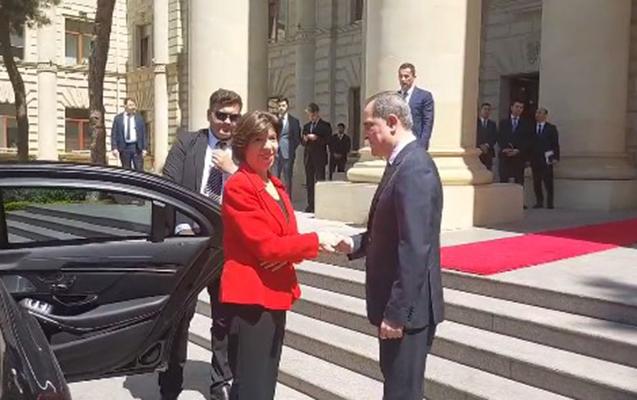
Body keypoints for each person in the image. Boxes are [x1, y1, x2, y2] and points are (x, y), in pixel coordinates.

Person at [220, 111, 340, 399]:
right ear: (243, 145)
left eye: (272, 138)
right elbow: (266, 247)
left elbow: (286, 240)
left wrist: (284, 253)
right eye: (258, 140)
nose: (268, 147)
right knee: (254, 387)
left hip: (275, 293)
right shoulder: (239, 185)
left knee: (265, 382)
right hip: (252, 298)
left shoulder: (276, 186)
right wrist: (315, 240)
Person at [336, 91, 444, 400]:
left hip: (409, 312)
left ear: (392, 122)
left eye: (369, 125)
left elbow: (414, 248)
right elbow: (391, 230)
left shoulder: (415, 167)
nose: (365, 134)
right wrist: (355, 243)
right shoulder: (399, 162)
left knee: (402, 393)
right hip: (399, 307)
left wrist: (397, 313)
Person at [161, 88, 242, 400]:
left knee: (225, 318)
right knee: (180, 317)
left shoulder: (243, 150)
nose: (227, 122)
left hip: (228, 247)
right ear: (210, 115)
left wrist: (233, 172)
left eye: (233, 117)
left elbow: (257, 188)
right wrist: (182, 228)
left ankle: (221, 382)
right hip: (190, 243)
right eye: (221, 115)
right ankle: (170, 382)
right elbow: (169, 186)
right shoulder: (188, 142)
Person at [301, 103, 331, 213]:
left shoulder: (325, 126)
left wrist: (316, 138)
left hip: (319, 157)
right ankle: (311, 204)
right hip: (308, 157)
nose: (311, 117)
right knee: (309, 182)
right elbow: (302, 142)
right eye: (309, 115)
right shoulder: (306, 126)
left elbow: (328, 140)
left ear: (317, 113)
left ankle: (320, 204)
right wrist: (305, 139)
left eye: (312, 115)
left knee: (319, 181)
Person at [398, 62, 435, 149]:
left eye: (406, 76)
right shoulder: (394, 97)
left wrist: (422, 146)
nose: (403, 79)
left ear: (413, 77)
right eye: (400, 76)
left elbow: (427, 123)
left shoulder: (424, 96)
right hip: (398, 144)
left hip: (415, 143)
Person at [497, 100, 532, 186]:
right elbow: (499, 136)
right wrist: (505, 148)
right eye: (517, 107)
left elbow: (528, 140)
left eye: (521, 107)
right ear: (512, 108)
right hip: (505, 156)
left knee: (518, 181)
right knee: (504, 180)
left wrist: (518, 150)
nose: (518, 109)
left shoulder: (526, 124)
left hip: (519, 157)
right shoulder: (503, 122)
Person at [531, 107, 560, 209]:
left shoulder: (551, 128)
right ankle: (539, 201)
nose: (537, 114)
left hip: (547, 159)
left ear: (545, 115)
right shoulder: (531, 128)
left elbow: (555, 144)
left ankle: (550, 202)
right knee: (536, 181)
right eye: (537, 112)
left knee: (548, 181)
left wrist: (556, 157)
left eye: (540, 113)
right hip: (535, 159)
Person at [273, 97, 301, 197]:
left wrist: (291, 149)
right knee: (274, 177)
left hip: (287, 153)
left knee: (287, 178)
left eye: (283, 105)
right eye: (279, 106)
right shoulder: (273, 120)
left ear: (287, 107)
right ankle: (275, 199)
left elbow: (297, 138)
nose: (281, 108)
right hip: (274, 153)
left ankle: (287, 199)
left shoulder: (294, 121)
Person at [111, 98, 147, 171]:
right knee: (126, 170)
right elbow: (114, 134)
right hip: (124, 147)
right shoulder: (118, 119)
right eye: (130, 105)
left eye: (133, 105)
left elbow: (143, 134)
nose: (132, 107)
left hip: (136, 147)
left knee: (139, 169)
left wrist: (144, 148)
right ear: (125, 106)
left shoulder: (139, 118)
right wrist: (114, 148)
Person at [476, 102, 497, 171]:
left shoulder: (492, 124)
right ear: (480, 110)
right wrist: (480, 146)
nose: (486, 111)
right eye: (485, 109)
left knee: (488, 171)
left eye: (488, 110)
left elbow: (494, 137)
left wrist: (487, 145)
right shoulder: (475, 123)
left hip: (488, 153)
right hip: (477, 152)